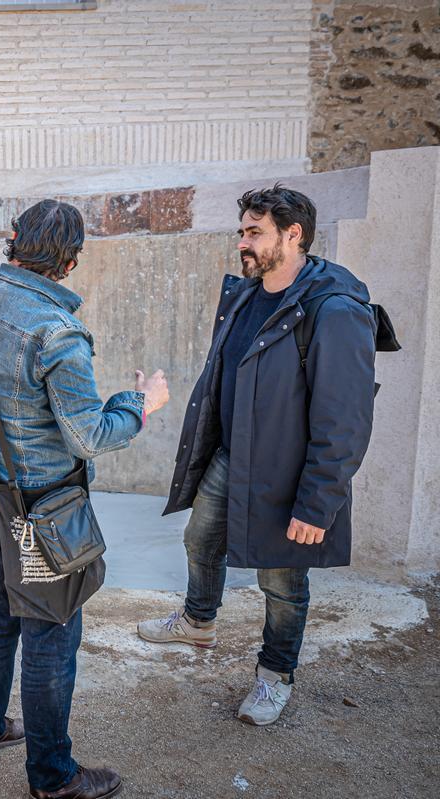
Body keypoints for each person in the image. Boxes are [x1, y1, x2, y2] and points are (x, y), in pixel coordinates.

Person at [0, 194, 169, 799]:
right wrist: (143, 403)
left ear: (13, 242)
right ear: (71, 263)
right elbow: (91, 435)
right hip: (41, 517)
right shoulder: (59, 334)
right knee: (51, 639)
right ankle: (53, 778)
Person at [137, 184, 378, 726]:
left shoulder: (333, 309)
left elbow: (345, 419)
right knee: (200, 538)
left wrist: (318, 504)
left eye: (254, 233)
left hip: (289, 475)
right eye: (242, 231)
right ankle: (198, 622)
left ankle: (274, 676)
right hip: (233, 456)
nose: (243, 243)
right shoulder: (248, 293)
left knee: (282, 580)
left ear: (294, 235)